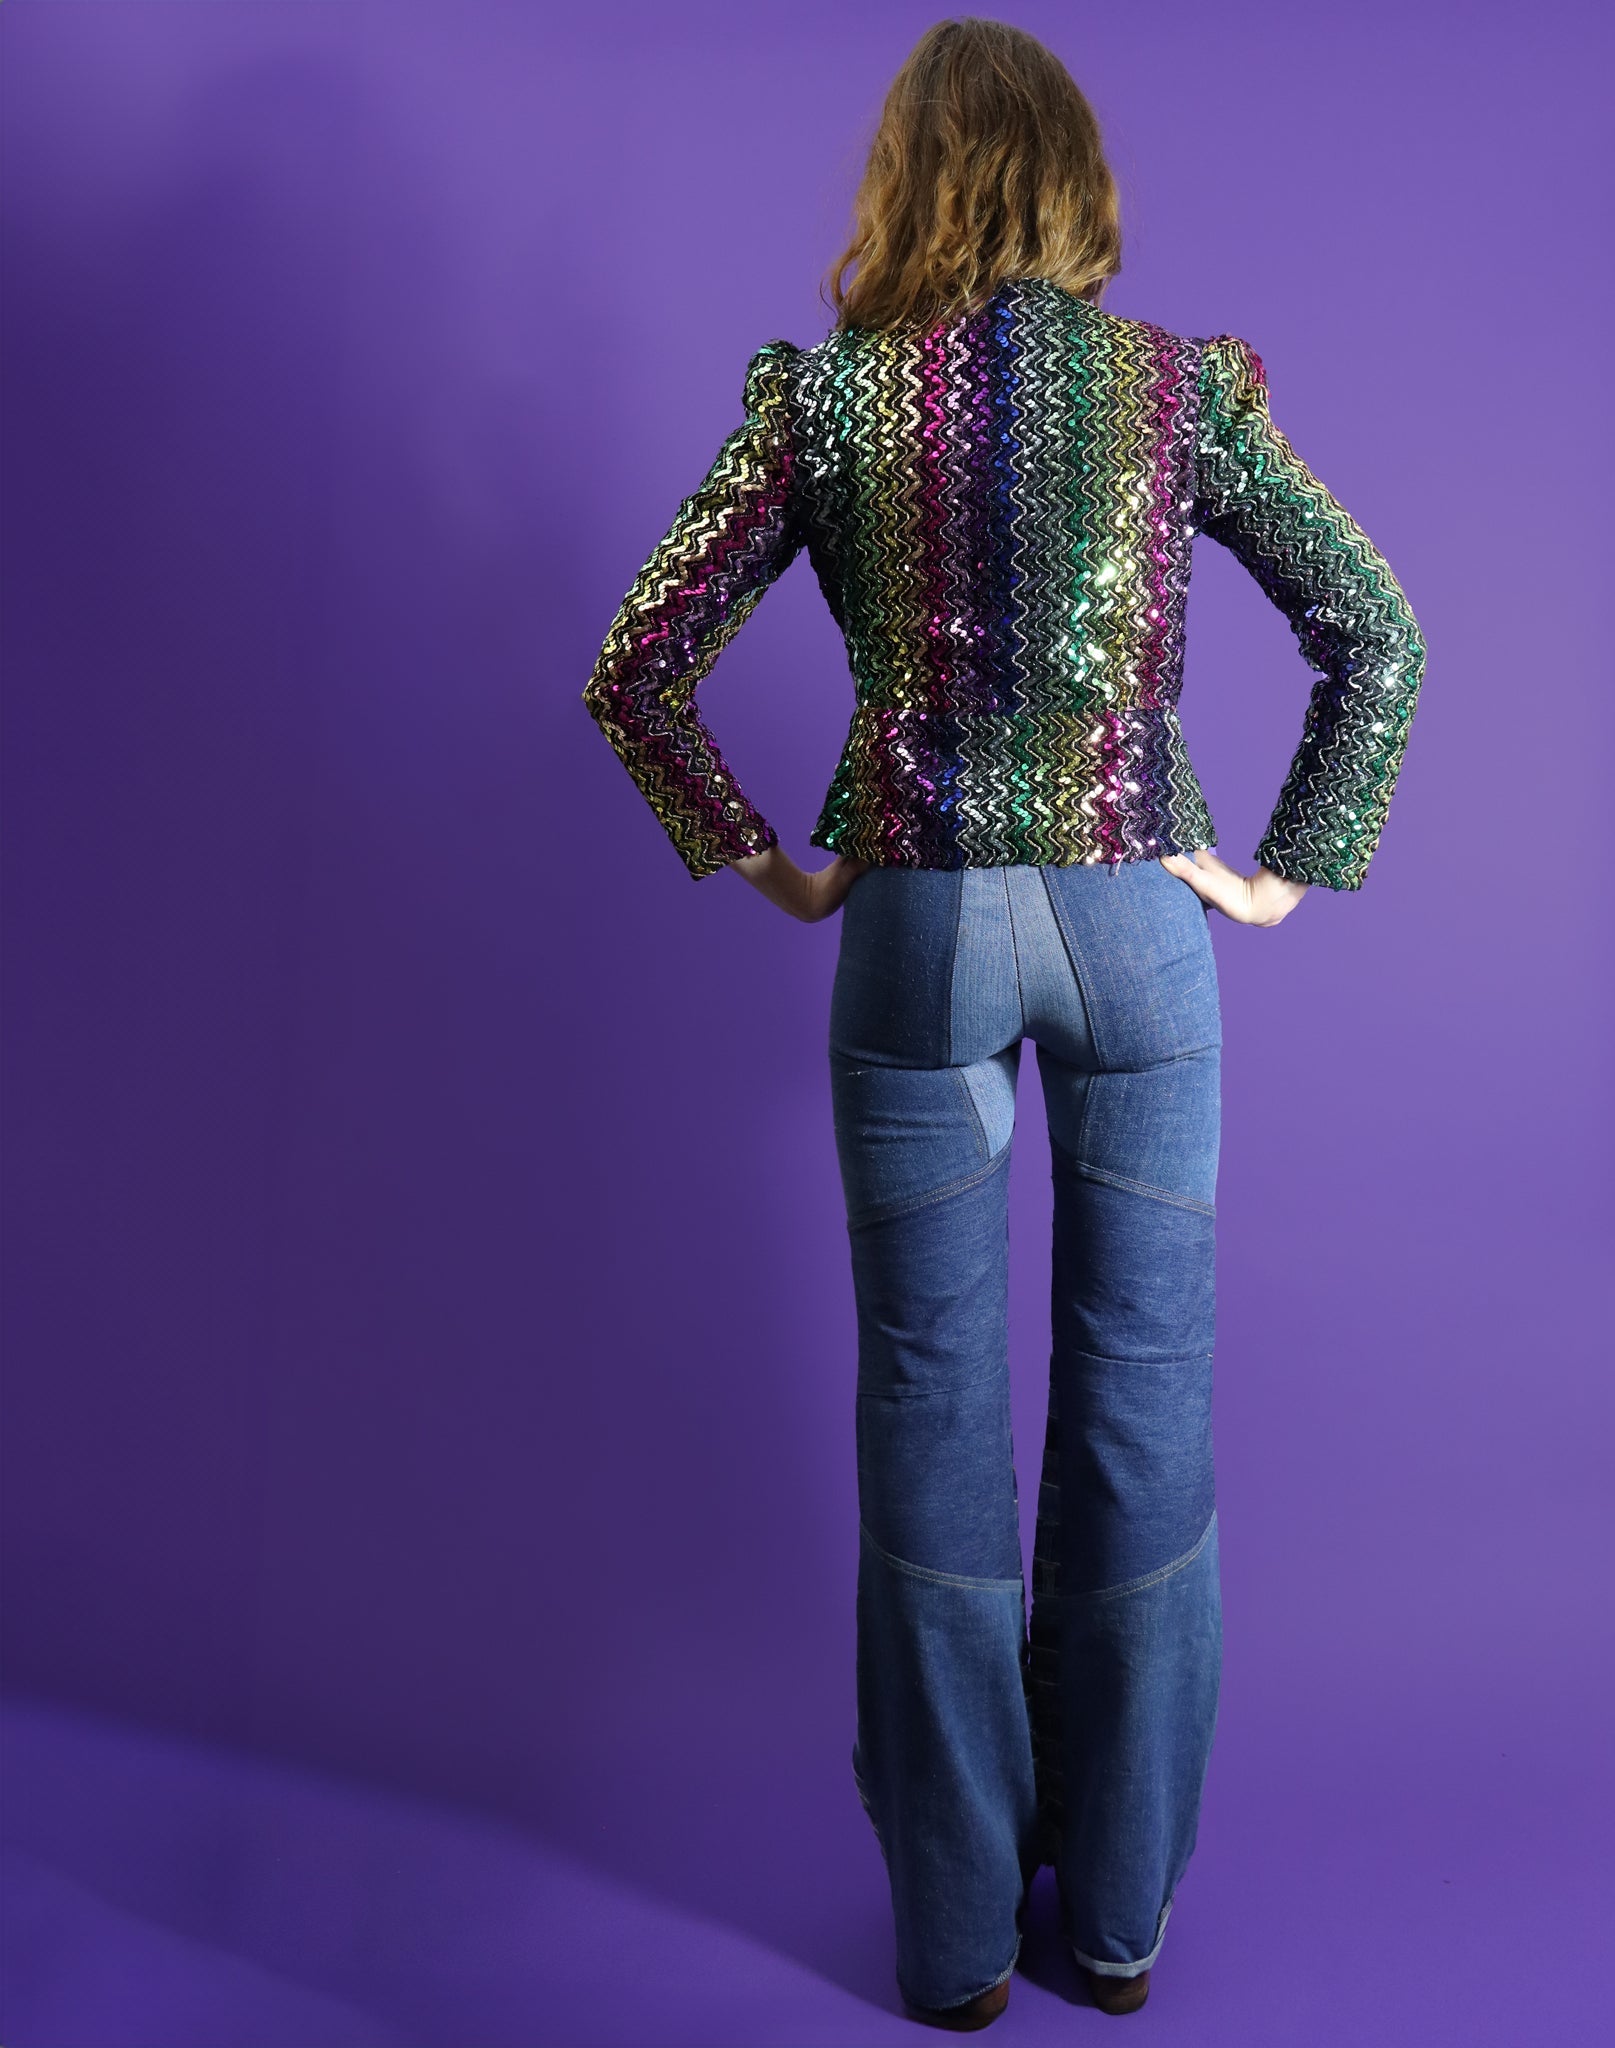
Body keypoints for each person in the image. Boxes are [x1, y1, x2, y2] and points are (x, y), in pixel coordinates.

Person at [581, 16, 1427, 2030]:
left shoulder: (827, 400)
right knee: (1143, 1410)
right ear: (1076, 184)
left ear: (905, 180)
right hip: (1138, 924)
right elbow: (1377, 636)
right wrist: (1284, 865)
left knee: (926, 1414)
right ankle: (1115, 1923)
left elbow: (638, 663)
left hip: (919, 931)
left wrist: (773, 864)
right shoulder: (1183, 390)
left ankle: (957, 1942)